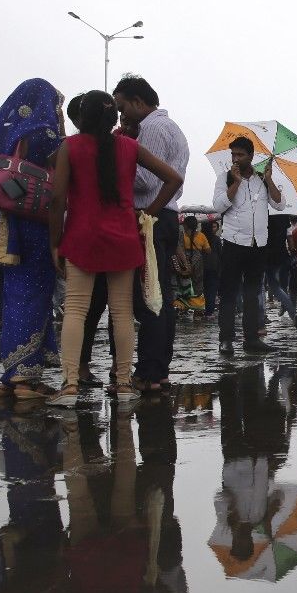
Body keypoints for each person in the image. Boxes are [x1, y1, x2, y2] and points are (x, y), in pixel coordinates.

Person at [47, 90, 183, 406]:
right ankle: (123, 383)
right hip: (123, 238)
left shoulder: (71, 147)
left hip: (82, 238)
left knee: (76, 310)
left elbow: (57, 199)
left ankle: (69, 386)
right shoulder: (129, 146)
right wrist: (149, 213)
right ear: (112, 119)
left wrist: (54, 242)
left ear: (82, 118)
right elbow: (173, 179)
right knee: (122, 313)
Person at [0, 79, 66, 398]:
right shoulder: (45, 133)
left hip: (4, 222)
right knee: (34, 294)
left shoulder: (5, 129)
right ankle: (23, 378)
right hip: (34, 224)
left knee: (15, 294)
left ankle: (12, 375)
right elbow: (60, 174)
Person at [112, 75, 188, 391]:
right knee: (160, 296)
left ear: (139, 103)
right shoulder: (172, 128)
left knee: (148, 299)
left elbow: (145, 180)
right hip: (165, 216)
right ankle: (158, 371)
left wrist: (115, 162)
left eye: (122, 107)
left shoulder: (153, 129)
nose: (120, 115)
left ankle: (149, 371)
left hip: (151, 216)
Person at [211, 135, 283, 357]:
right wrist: (236, 182)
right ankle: (226, 340)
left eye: (240, 155)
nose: (235, 159)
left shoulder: (262, 179)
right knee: (230, 294)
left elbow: (279, 204)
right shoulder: (225, 178)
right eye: (233, 154)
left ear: (251, 156)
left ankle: (251, 339)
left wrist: (269, 180)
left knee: (253, 294)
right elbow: (219, 206)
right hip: (233, 243)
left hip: (258, 244)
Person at [175, 215, 210, 314]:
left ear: (185, 225)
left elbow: (178, 249)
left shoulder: (181, 235)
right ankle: (198, 310)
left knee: (183, 285)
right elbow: (208, 250)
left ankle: (183, 307)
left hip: (183, 264)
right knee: (198, 286)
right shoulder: (201, 236)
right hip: (198, 265)